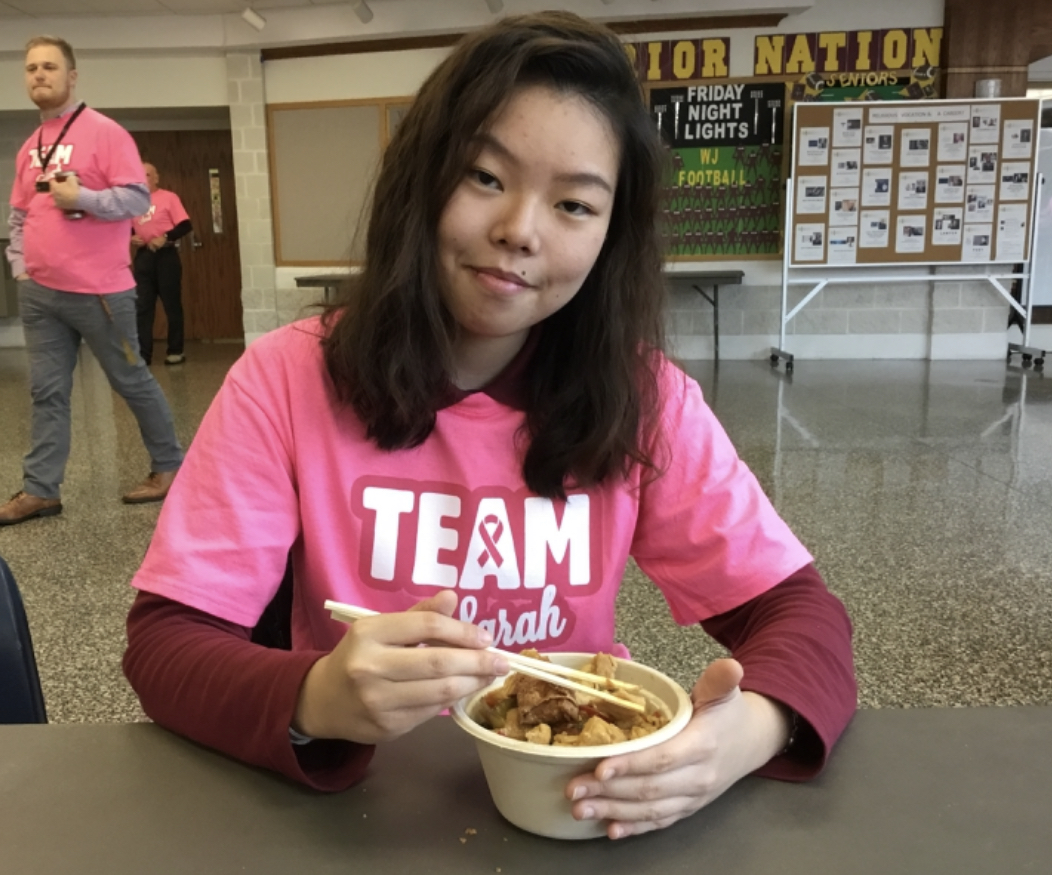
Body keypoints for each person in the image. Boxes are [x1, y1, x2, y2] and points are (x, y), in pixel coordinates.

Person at [123, 12, 856, 839]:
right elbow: (165, 643)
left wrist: (744, 735)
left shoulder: (644, 398)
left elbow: (804, 617)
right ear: (423, 180)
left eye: (575, 203)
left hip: (567, 810)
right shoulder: (285, 379)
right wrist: (317, 695)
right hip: (353, 819)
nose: (520, 230)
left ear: (611, 236)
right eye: (484, 176)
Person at [0, 35, 184, 526]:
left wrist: (85, 200)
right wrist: (20, 267)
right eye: (31, 68)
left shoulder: (106, 133)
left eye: (49, 66)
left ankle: (171, 468)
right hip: (40, 294)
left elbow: (136, 202)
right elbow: (18, 216)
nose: (38, 75)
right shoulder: (30, 147)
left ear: (72, 76)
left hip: (101, 293)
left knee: (132, 381)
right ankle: (40, 490)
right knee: (47, 392)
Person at [131, 162, 192, 365]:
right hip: (143, 257)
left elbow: (185, 225)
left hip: (166, 256)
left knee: (171, 305)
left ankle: (175, 350)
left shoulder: (169, 198)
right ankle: (143, 355)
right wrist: (131, 237)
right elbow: (123, 228)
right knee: (142, 307)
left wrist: (165, 237)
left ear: (156, 178)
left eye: (147, 175)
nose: (143, 178)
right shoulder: (132, 201)